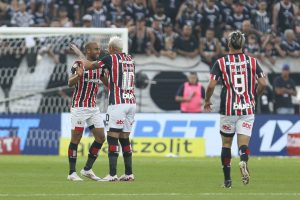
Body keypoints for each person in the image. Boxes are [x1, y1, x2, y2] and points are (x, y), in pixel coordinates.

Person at [204, 30, 266, 188]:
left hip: (228, 109)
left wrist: (207, 100)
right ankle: (243, 161)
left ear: (228, 43)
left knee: (226, 144)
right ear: (243, 44)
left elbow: (211, 84)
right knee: (243, 144)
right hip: (247, 109)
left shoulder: (221, 62)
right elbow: (263, 83)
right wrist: (255, 96)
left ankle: (227, 181)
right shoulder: (252, 61)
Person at [71, 36, 136, 182]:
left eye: (107, 49)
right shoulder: (130, 59)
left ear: (112, 49)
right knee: (125, 138)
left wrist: (78, 53)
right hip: (131, 101)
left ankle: (112, 174)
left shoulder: (110, 58)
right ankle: (129, 173)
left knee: (113, 137)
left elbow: (88, 65)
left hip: (118, 103)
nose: (105, 51)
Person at [67, 42, 107, 181]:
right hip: (79, 107)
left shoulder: (99, 67)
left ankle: (87, 169)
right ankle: (72, 173)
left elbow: (108, 84)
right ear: (88, 50)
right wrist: (77, 76)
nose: (98, 51)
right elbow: (70, 83)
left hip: (93, 108)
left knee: (101, 138)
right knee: (76, 139)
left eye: (99, 49)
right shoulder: (78, 64)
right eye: (96, 49)